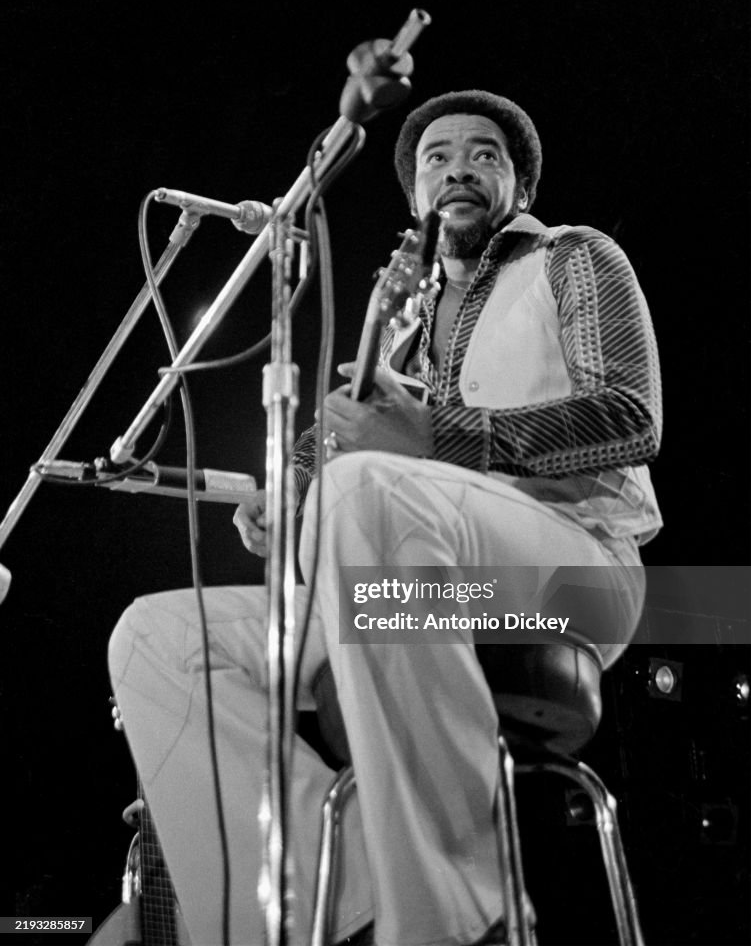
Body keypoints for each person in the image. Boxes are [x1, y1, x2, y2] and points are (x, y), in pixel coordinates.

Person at [109, 90, 662, 946]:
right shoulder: (396, 340)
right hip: (405, 596)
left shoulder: (573, 257)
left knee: (367, 489)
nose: (458, 169)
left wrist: (442, 436)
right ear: (412, 196)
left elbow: (631, 417)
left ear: (517, 183)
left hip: (576, 574)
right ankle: (337, 913)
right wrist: (280, 497)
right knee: (156, 638)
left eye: (485, 154)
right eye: (436, 158)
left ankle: (453, 918)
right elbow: (314, 457)